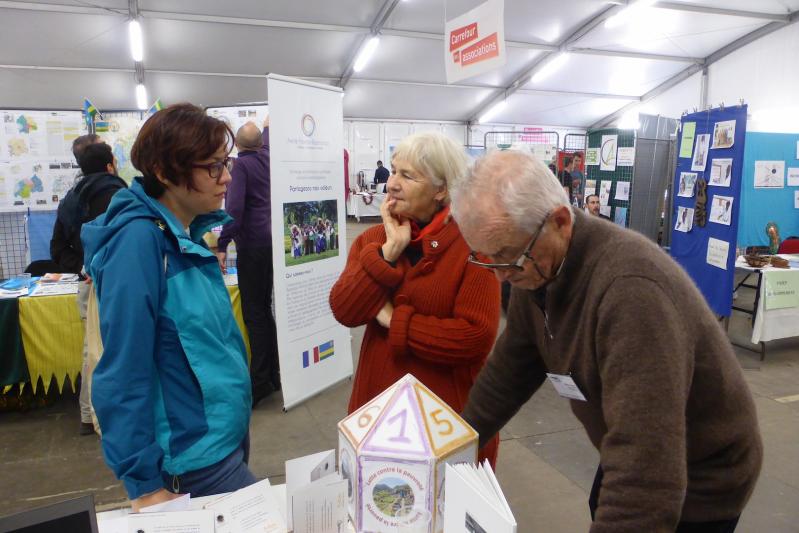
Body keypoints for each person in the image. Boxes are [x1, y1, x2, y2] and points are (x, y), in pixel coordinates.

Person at [450, 150, 762, 531]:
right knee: (605, 499)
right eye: (488, 259)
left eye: (509, 256)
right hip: (632, 441)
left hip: (702, 476)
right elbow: (510, 370)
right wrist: (453, 447)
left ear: (560, 222)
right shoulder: (536, 269)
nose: (500, 276)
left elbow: (646, 472)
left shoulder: (631, 293)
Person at [82, 103, 256, 511]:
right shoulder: (140, 244)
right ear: (165, 172)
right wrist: (144, 485)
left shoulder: (183, 232)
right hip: (192, 464)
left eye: (225, 162)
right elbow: (123, 371)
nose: (227, 176)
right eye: (212, 166)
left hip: (217, 442)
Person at [330, 132, 501, 467]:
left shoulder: (473, 244)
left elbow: (474, 337)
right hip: (376, 416)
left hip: (445, 425)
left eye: (408, 176)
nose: (392, 184)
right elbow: (345, 309)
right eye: (394, 171)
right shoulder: (373, 239)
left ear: (441, 190)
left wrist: (395, 320)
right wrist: (389, 252)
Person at [50, 140, 127, 436]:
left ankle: (88, 415)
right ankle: (111, 416)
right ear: (110, 165)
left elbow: (57, 248)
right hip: (116, 283)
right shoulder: (119, 195)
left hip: (88, 284)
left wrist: (84, 267)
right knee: (117, 349)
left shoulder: (70, 199)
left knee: (91, 350)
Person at [216, 116, 281, 406]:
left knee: (254, 312)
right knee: (265, 308)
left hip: (253, 245)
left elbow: (235, 210)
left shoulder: (240, 166)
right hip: (273, 244)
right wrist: (267, 126)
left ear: (237, 145)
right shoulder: (270, 159)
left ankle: (260, 381)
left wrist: (221, 243)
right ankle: (274, 373)